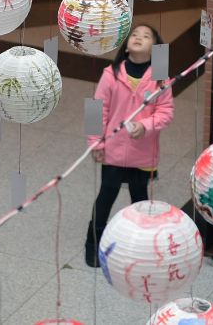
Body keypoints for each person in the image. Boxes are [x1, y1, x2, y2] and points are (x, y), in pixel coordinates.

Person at [84, 24, 174, 267]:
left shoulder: (161, 78)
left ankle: (141, 249)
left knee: (140, 201)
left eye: (146, 36)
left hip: (143, 154)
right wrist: (96, 143)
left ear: (155, 49)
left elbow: (166, 112)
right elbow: (96, 109)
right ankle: (92, 246)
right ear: (125, 45)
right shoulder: (110, 74)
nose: (138, 38)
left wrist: (146, 126)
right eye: (135, 35)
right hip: (112, 150)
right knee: (106, 196)